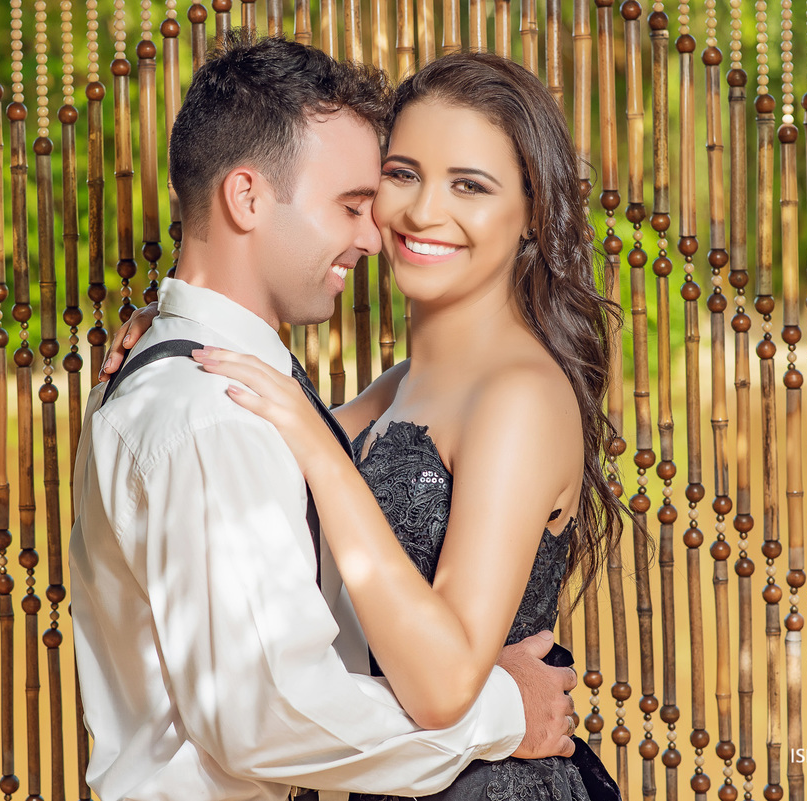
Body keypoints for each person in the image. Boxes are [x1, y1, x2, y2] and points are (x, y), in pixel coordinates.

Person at [104, 52, 627, 801]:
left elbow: (446, 682)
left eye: (470, 186)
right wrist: (175, 330)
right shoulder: (400, 388)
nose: (421, 212)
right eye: (403, 174)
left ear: (533, 212)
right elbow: (262, 448)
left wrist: (325, 454)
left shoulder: (520, 396)